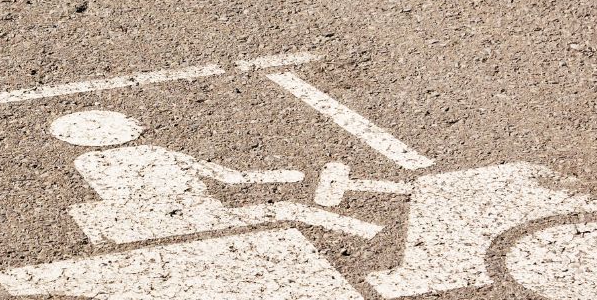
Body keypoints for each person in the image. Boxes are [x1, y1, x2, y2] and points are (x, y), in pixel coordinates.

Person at [49, 109, 379, 245]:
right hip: (201, 216)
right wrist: (290, 174)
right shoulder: (157, 152)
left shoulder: (87, 162)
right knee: (292, 209)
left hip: (142, 226)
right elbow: (233, 179)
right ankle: (374, 232)